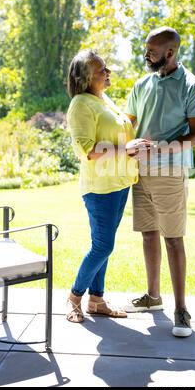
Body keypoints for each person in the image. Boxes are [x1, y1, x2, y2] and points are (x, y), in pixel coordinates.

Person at [124, 27, 195, 337]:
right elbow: (126, 123)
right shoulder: (142, 83)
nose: (147, 55)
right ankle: (153, 297)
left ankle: (181, 310)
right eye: (146, 50)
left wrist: (161, 148)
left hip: (170, 173)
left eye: (153, 52)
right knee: (148, 234)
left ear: (170, 53)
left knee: (173, 239)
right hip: (139, 172)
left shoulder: (191, 86)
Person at [66, 49, 152, 323]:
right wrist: (125, 147)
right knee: (103, 246)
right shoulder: (81, 103)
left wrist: (136, 144)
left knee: (104, 244)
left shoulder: (103, 99)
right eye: (101, 69)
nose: (108, 72)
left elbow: (122, 131)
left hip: (119, 184)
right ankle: (74, 297)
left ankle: (97, 300)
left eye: (106, 68)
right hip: (100, 187)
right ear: (86, 77)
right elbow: (87, 149)